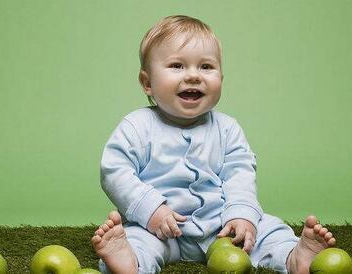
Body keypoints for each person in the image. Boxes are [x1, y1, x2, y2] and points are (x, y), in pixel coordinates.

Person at [91, 15, 336, 274]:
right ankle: (129, 262)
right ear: (147, 83)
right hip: (160, 231)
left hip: (221, 228)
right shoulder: (137, 127)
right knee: (137, 242)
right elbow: (114, 172)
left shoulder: (227, 128)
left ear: (222, 77)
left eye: (206, 67)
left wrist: (241, 214)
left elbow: (239, 173)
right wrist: (151, 209)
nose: (194, 76)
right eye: (177, 66)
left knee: (267, 229)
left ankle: (295, 257)